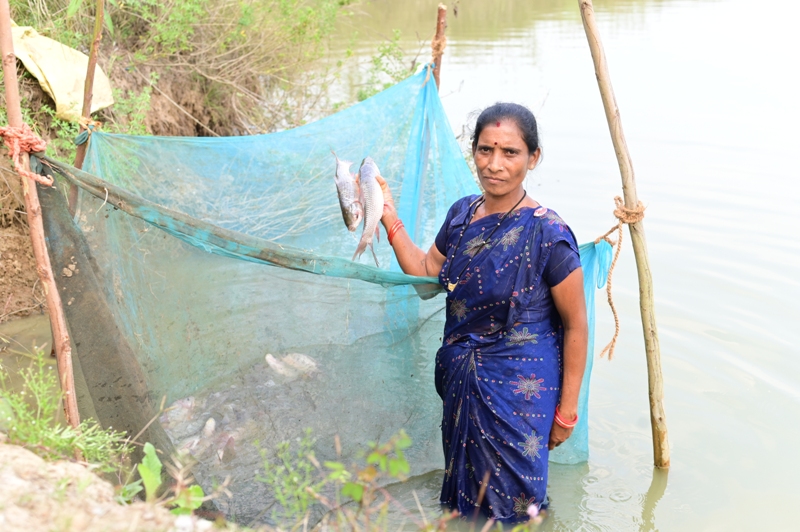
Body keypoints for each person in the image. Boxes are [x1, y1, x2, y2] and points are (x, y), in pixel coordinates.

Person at [376, 103, 588, 523]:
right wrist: (388, 216)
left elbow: (576, 326)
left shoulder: (549, 234)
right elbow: (424, 278)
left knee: (519, 506)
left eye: (510, 152)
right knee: (465, 502)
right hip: (462, 384)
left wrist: (566, 412)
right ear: (472, 151)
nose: (495, 164)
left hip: (519, 391)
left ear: (533, 158)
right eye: (485, 150)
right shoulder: (461, 214)